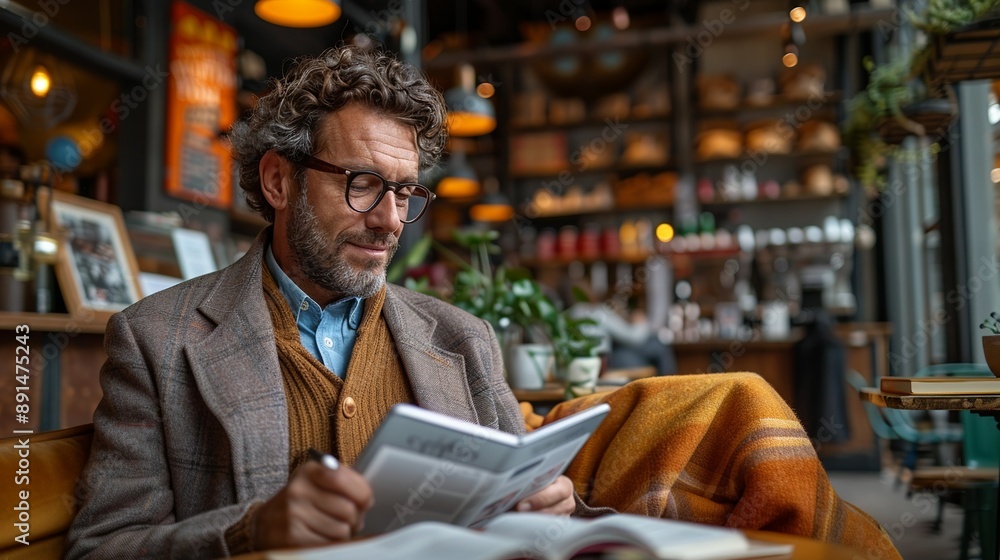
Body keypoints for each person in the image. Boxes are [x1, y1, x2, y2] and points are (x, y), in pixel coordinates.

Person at [66, 45, 576, 560]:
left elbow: (529, 495)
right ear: (278, 180)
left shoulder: (463, 338)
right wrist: (251, 532)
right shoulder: (155, 340)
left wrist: (550, 506)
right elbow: (101, 549)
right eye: (363, 184)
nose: (391, 220)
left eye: (403, 193)